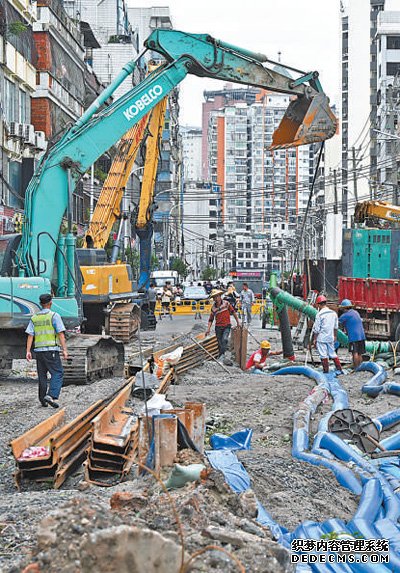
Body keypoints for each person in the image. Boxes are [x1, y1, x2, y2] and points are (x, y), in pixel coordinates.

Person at [25, 293, 68, 408]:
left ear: (40, 304)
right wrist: (64, 350)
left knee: (42, 375)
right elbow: (60, 334)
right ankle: (51, 395)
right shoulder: (54, 316)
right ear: (51, 303)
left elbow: (30, 335)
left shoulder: (34, 318)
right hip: (51, 350)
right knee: (57, 373)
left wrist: (28, 351)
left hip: (38, 351)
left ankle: (42, 400)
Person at [205, 289, 240, 364]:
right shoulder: (213, 308)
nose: (216, 298)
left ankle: (222, 355)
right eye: (214, 297)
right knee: (220, 343)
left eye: (217, 296)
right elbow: (211, 319)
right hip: (218, 327)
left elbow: (233, 312)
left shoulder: (226, 304)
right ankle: (221, 356)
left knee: (224, 339)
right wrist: (208, 329)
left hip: (226, 326)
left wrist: (238, 322)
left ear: (220, 296)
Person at [311, 295, 343, 374]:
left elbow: (317, 329)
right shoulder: (333, 313)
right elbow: (336, 327)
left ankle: (326, 371)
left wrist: (314, 339)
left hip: (321, 338)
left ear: (318, 305)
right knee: (332, 353)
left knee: (323, 355)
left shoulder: (319, 315)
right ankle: (339, 369)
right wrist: (335, 336)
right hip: (330, 337)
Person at [338, 299, 366, 369]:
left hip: (354, 337)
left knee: (355, 352)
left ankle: (356, 368)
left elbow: (336, 323)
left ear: (344, 308)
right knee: (360, 353)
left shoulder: (345, 315)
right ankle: (360, 368)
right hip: (361, 336)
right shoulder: (356, 312)